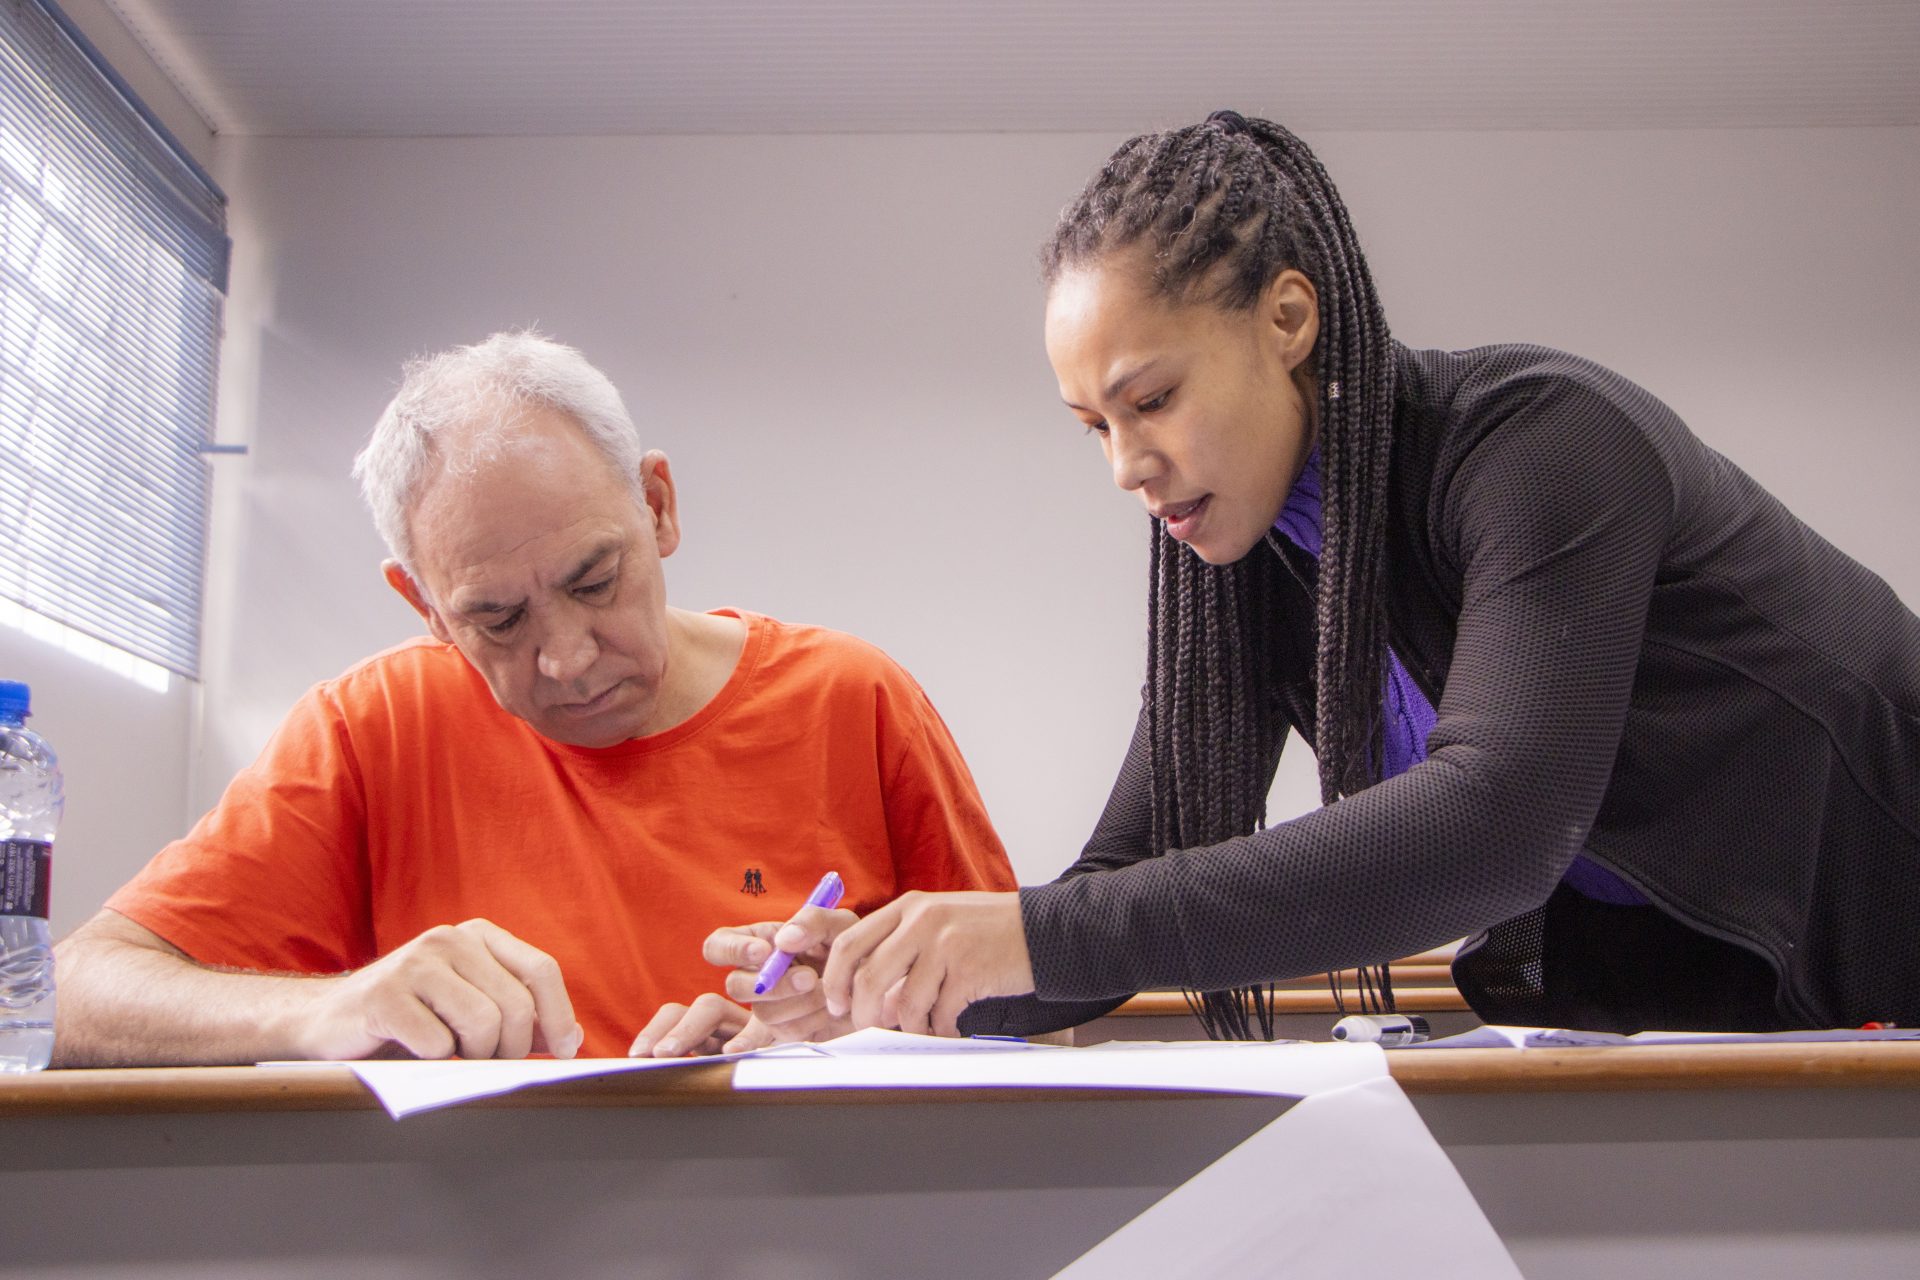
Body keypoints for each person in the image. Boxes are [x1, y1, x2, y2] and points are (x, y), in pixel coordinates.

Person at [739, 110, 1919, 1041]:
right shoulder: (1241, 568)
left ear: (1289, 317)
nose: (1125, 465)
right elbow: (1124, 881)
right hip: (1732, 994)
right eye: (1091, 425)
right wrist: (887, 980)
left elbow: (1498, 823)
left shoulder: (1544, 442)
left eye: (1151, 399)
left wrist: (1038, 933)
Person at [51, 332, 1015, 1064]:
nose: (565, 658)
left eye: (594, 581)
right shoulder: (369, 730)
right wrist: (323, 1009)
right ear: (423, 605)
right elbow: (69, 993)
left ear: (660, 507)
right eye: (498, 621)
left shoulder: (854, 701)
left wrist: (859, 1036)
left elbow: (1038, 1032)